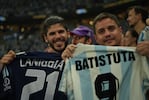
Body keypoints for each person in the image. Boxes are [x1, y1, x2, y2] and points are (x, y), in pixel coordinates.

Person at [58, 12, 149, 100]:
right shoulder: (76, 59)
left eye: (111, 28)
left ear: (120, 30)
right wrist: (69, 58)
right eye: (101, 31)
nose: (107, 34)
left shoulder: (139, 54)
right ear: (96, 37)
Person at [0, 15, 69, 100]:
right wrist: (1, 66)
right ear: (45, 38)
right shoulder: (18, 61)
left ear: (68, 33)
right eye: (52, 33)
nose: (58, 36)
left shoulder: (76, 59)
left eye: (61, 32)